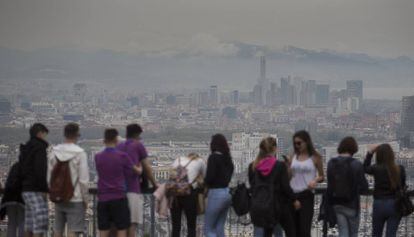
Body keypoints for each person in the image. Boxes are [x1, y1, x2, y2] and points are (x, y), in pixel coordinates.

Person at [95, 129, 142, 237]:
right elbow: (137, 170)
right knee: (122, 228)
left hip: (103, 197)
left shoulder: (98, 157)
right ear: (116, 140)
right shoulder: (122, 156)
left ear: (104, 140)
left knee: (104, 229)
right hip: (118, 197)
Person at [249, 137, 299, 237]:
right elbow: (285, 187)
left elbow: (252, 186)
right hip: (279, 205)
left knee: (267, 232)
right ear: (275, 148)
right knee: (291, 231)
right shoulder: (279, 166)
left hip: (261, 206)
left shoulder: (253, 166)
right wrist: (295, 200)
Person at [48, 123, 90, 237]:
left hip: (59, 197)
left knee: (57, 230)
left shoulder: (54, 152)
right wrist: (86, 200)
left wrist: (52, 193)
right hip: (75, 198)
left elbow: (49, 177)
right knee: (73, 230)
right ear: (77, 135)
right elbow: (83, 180)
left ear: (64, 134)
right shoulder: (80, 153)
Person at [117, 124, 158, 237]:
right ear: (137, 134)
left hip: (118, 191)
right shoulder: (138, 146)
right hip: (132, 189)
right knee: (132, 225)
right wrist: (154, 183)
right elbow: (147, 167)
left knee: (120, 226)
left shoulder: (119, 146)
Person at [326, 137, 368, 237]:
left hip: (336, 203)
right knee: (353, 233)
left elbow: (330, 185)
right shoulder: (356, 164)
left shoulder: (331, 163)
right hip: (352, 204)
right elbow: (364, 187)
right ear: (353, 149)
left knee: (343, 232)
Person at [364, 144, 406, 237]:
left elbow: (365, 168)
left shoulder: (376, 168)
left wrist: (370, 153)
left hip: (379, 203)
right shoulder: (400, 169)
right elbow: (403, 186)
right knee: (391, 234)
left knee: (376, 233)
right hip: (395, 203)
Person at [289, 130, 324, 237]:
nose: (297, 145)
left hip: (306, 195)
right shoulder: (293, 156)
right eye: (295, 143)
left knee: (304, 230)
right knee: (292, 230)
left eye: (299, 143)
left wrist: (315, 180)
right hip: (293, 195)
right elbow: (289, 176)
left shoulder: (315, 157)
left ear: (306, 142)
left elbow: (322, 176)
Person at [20, 123, 49, 237]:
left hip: (25, 189)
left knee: (29, 224)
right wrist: (44, 189)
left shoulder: (26, 148)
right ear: (40, 133)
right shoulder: (40, 148)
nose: (45, 137)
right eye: (44, 134)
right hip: (35, 189)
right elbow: (40, 170)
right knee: (39, 224)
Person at [204, 134, 234, 237]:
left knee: (208, 228)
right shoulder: (228, 159)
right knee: (219, 226)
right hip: (227, 193)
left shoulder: (213, 158)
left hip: (216, 194)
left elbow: (209, 177)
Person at [170, 153, 206, 237]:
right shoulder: (200, 161)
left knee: (175, 226)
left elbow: (171, 175)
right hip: (189, 194)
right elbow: (206, 178)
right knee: (191, 225)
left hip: (174, 194)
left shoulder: (177, 160)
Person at [0, 159, 25, 237]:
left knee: (11, 223)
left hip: (10, 200)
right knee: (22, 222)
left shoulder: (14, 167)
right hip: (22, 201)